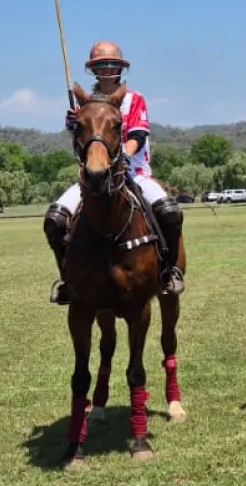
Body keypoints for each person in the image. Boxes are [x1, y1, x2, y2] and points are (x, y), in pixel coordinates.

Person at [44, 41, 185, 305]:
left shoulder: (134, 99)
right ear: (93, 70)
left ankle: (168, 271)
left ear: (121, 68)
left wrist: (119, 159)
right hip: (92, 175)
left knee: (170, 212)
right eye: (101, 66)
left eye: (112, 65)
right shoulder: (84, 104)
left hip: (133, 172)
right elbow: (80, 139)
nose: (107, 70)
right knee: (54, 219)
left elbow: (138, 135)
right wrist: (73, 123)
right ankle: (67, 279)